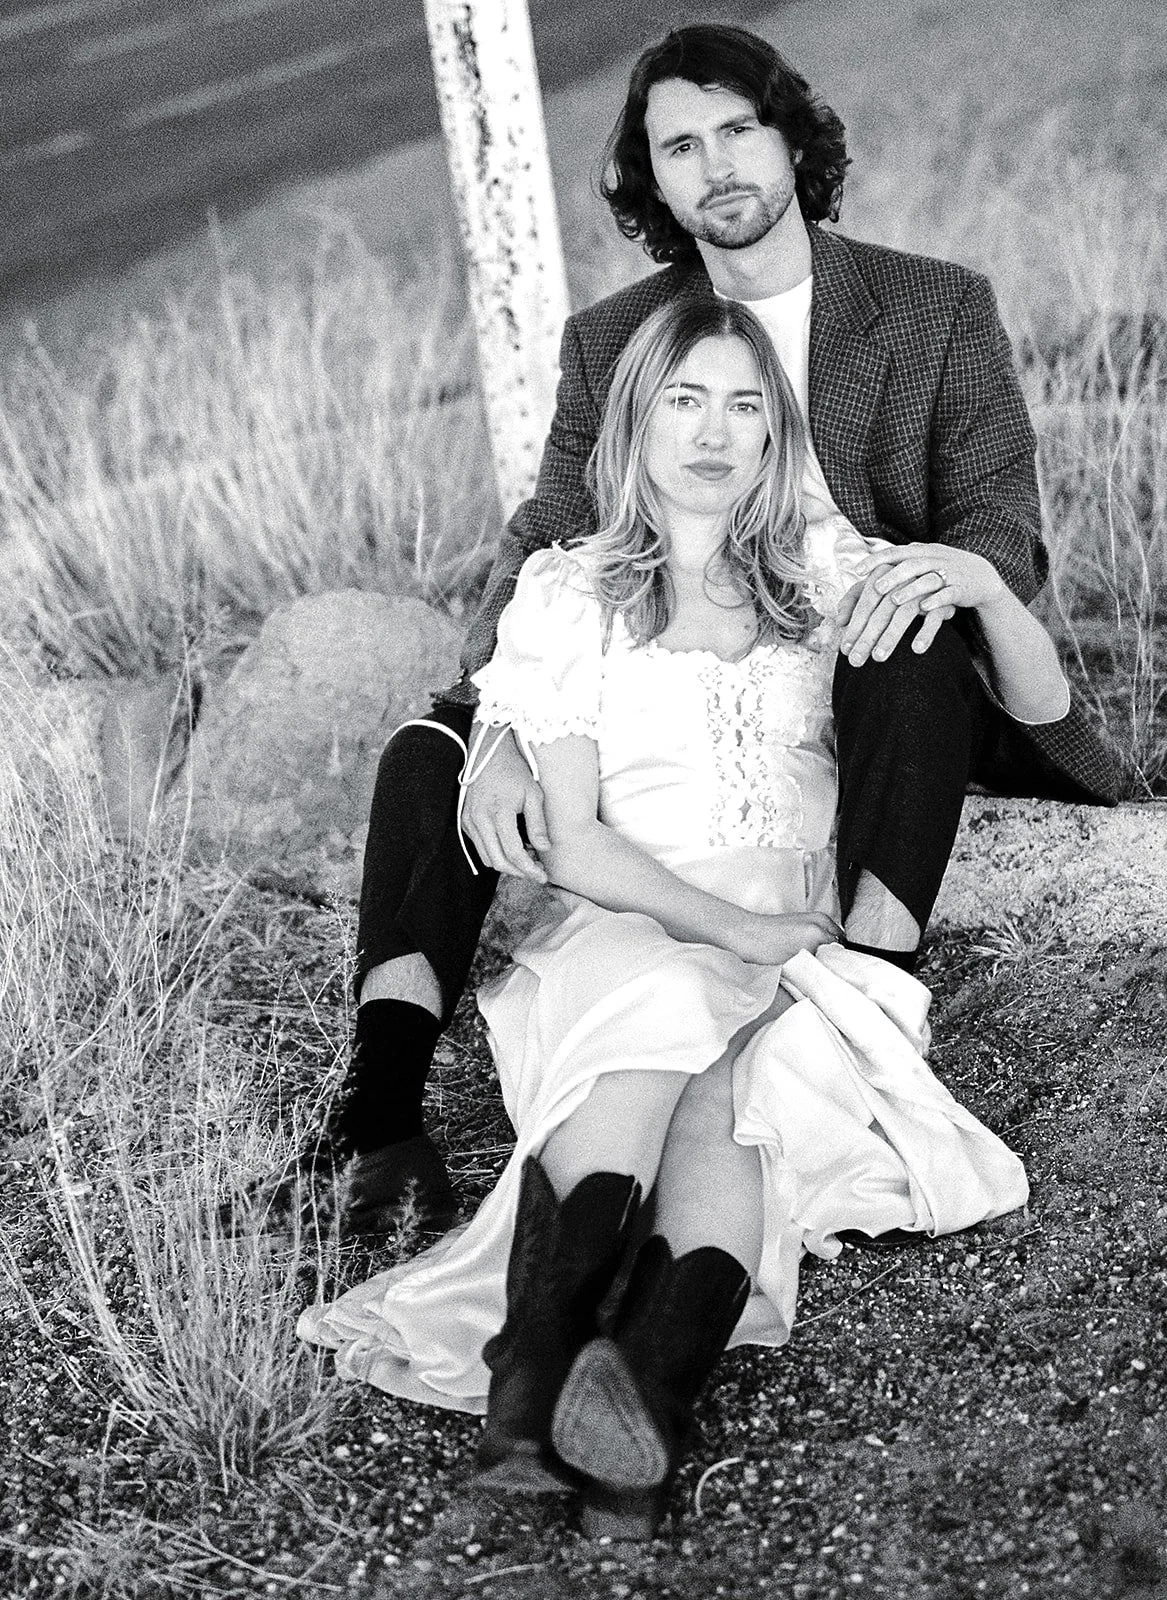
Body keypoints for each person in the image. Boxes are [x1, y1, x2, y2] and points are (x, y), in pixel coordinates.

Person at [245, 23, 1119, 1239]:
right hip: (677, 668)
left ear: (791, 139)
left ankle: (869, 994)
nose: (717, 167)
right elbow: (546, 539)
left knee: (904, 632)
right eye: (679, 148)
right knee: (424, 756)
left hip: (873, 677)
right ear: (653, 183)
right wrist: (496, 717)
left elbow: (999, 533)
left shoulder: (933, 308)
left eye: (737, 130)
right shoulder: (616, 342)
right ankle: (379, 1125)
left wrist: (951, 575)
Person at [299, 297, 1058, 1538]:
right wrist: (732, 932)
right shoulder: (571, 591)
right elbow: (580, 840)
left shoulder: (826, 571)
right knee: (654, 1030)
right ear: (634, 424)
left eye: (745, 405)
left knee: (745, 1099)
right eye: (684, 402)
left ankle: (642, 1388)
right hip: (635, 910)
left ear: (775, 437)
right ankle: (532, 1376)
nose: (715, 432)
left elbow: (1035, 696)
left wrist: (981, 582)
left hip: (794, 920)